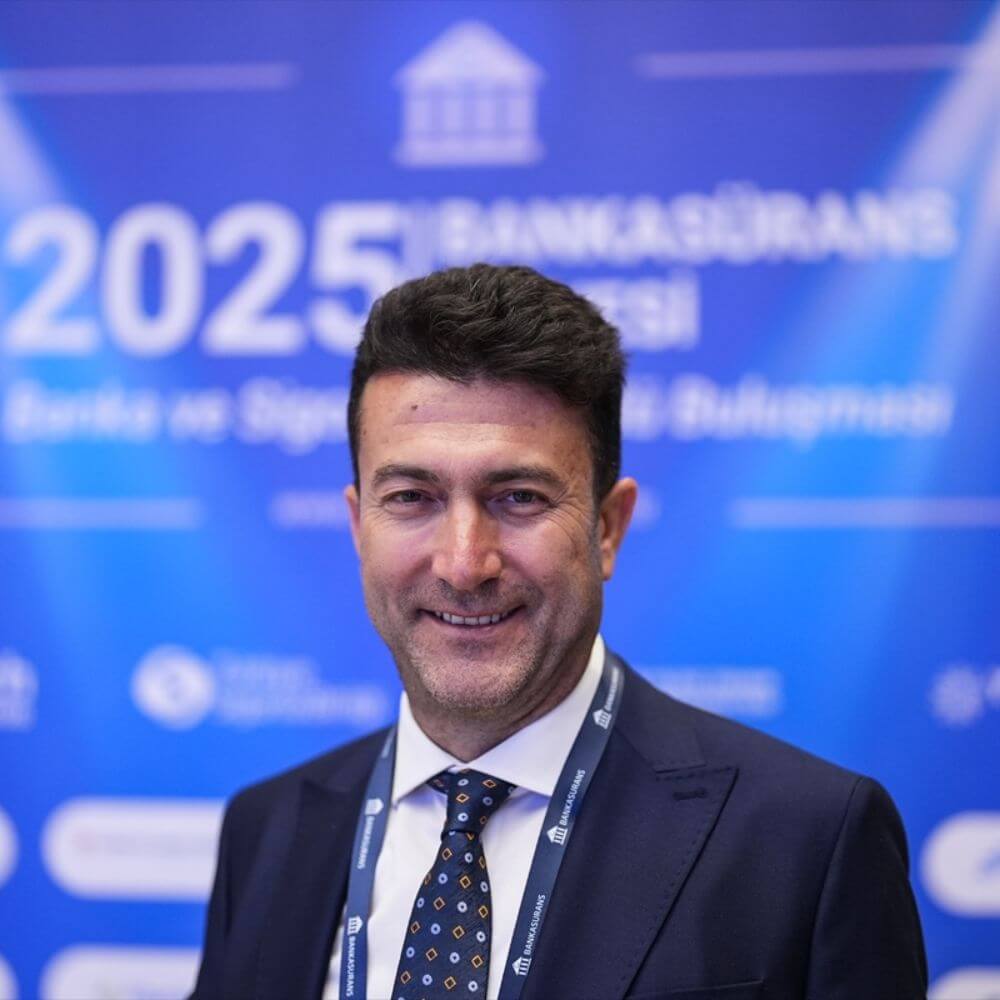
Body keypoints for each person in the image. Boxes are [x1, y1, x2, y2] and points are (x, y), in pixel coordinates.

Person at [192, 264, 927, 1000]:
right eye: (412, 497)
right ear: (359, 526)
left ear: (607, 527)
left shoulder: (808, 838)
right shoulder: (268, 830)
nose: (463, 564)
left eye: (518, 497)